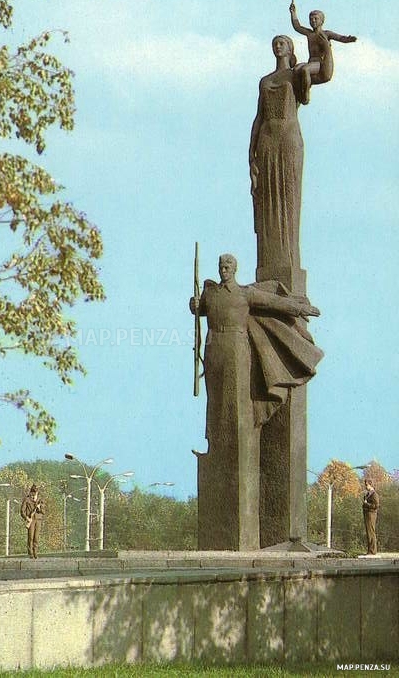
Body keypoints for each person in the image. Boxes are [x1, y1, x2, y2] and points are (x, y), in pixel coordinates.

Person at [189, 253, 323, 548]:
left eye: (228, 267)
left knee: (238, 409)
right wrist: (195, 306)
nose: (224, 270)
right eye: (221, 266)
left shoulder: (245, 294)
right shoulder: (210, 294)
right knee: (216, 407)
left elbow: (276, 304)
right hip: (214, 349)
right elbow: (199, 309)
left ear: (235, 270)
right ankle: (219, 440)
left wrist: (301, 307)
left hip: (237, 348)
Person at [249, 36, 304, 273]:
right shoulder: (264, 81)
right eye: (275, 42)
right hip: (267, 142)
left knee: (288, 199)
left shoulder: (298, 74)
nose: (277, 45)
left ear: (291, 48)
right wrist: (251, 153)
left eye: (282, 42)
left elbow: (325, 73)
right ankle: (268, 264)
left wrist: (323, 40)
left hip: (288, 141)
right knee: (267, 200)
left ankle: (289, 262)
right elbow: (259, 117)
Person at [289, 3, 357, 103]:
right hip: (311, 61)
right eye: (311, 19)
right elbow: (297, 26)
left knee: (305, 69)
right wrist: (293, 13)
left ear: (321, 21)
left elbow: (340, 38)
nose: (313, 21)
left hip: (319, 63)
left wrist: (348, 39)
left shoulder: (326, 34)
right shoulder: (309, 33)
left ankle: (306, 94)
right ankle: (298, 93)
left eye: (316, 19)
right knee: (296, 69)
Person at [20, 484, 44, 559]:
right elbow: (22, 511)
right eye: (33, 492)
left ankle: (35, 553)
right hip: (31, 520)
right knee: (30, 537)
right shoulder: (26, 499)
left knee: (36, 537)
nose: (34, 494)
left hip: (38, 520)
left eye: (35, 492)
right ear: (30, 492)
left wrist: (39, 508)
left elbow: (43, 511)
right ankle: (30, 553)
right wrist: (26, 518)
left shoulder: (40, 500)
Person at [362, 479, 379, 555]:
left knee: (371, 533)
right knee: (368, 533)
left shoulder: (374, 494)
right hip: (367, 515)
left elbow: (376, 506)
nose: (365, 486)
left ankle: (372, 551)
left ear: (370, 484)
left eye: (366, 485)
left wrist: (366, 504)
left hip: (371, 515)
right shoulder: (367, 494)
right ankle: (370, 551)